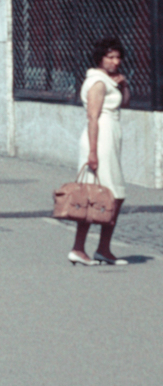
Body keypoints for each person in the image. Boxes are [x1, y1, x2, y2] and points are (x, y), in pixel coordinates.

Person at [70, 38, 130, 267]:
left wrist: (123, 85)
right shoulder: (97, 81)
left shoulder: (109, 81)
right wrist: (93, 152)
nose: (116, 61)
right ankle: (79, 248)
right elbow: (92, 117)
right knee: (101, 195)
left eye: (118, 57)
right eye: (110, 57)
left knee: (106, 196)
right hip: (100, 139)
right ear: (100, 58)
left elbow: (123, 103)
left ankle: (102, 249)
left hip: (109, 139)